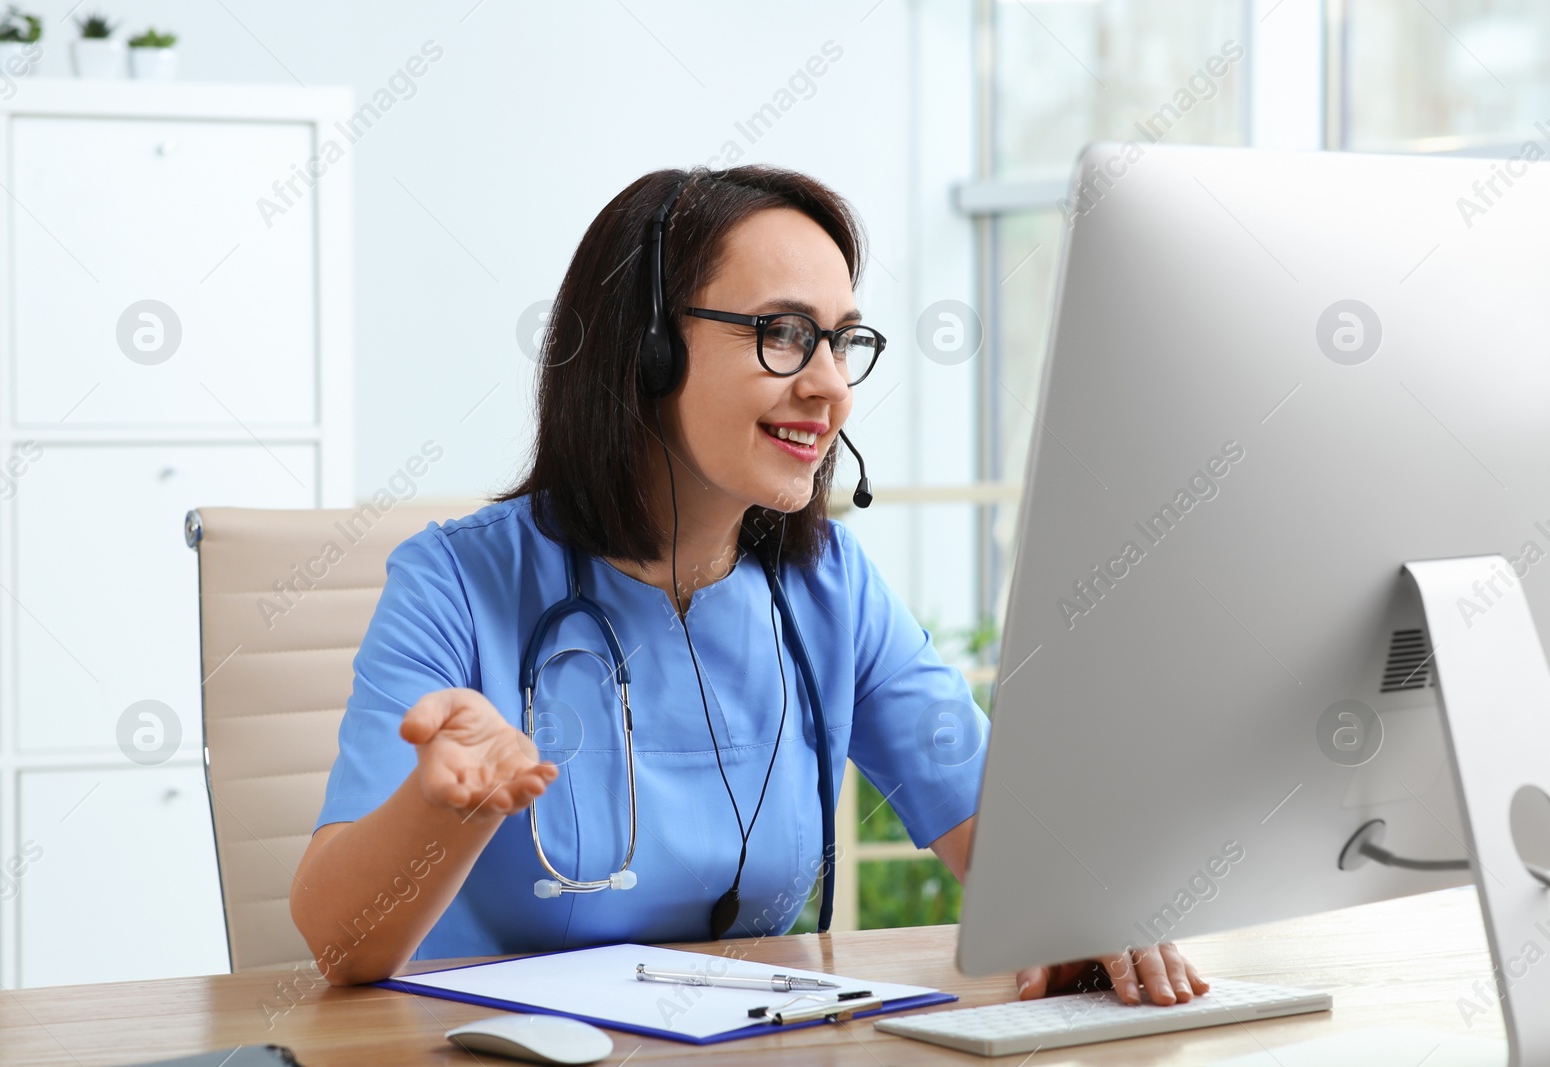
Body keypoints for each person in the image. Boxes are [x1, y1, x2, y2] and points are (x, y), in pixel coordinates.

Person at [289, 165, 1208, 1009]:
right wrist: (439, 807)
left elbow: (1009, 845)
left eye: (844, 342)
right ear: (646, 351)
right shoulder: (455, 580)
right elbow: (341, 946)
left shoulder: (830, 587)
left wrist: (1090, 912)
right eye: (784, 333)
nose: (830, 385)